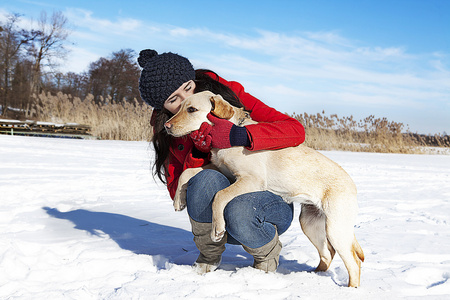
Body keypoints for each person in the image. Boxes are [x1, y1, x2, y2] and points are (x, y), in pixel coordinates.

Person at [138, 49, 305, 273]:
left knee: (241, 208)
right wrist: (201, 149)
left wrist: (239, 136)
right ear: (163, 108)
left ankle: (266, 254)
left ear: (194, 79)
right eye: (173, 100)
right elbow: (181, 193)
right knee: (203, 179)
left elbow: (295, 130)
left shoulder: (227, 96)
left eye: (188, 87)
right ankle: (209, 255)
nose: (187, 100)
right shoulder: (169, 132)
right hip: (215, 221)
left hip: (267, 206)